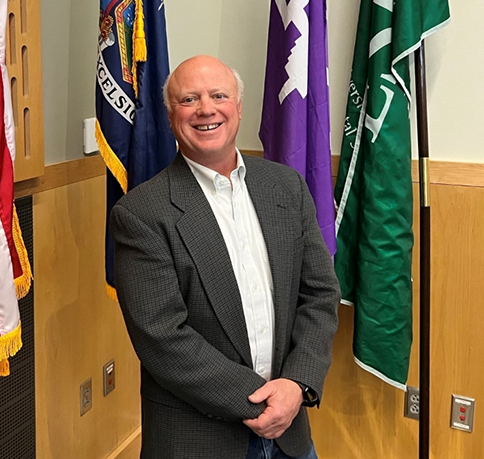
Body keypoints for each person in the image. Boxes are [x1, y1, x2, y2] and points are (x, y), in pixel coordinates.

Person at [112, 55, 340, 459]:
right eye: (189, 99)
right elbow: (162, 336)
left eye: (219, 95)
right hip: (198, 439)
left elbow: (320, 296)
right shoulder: (142, 214)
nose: (206, 109)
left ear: (238, 107)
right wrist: (261, 401)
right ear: (170, 117)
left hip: (290, 433)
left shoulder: (286, 187)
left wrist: (295, 386)